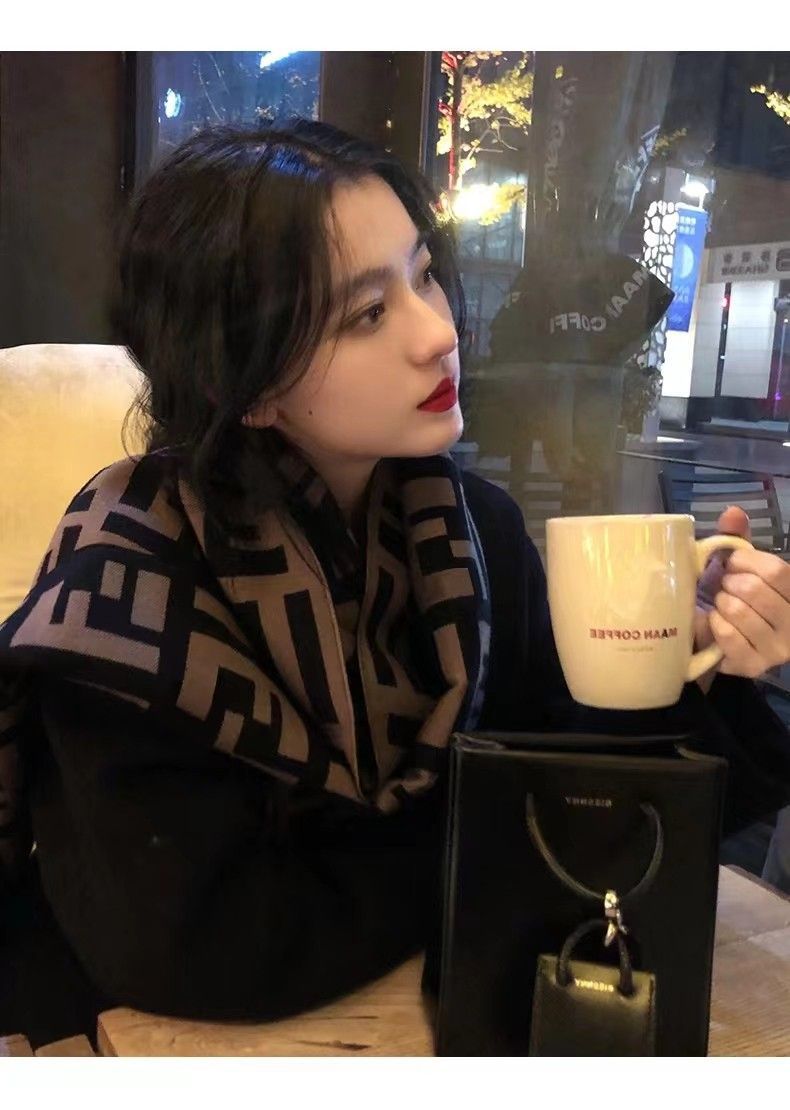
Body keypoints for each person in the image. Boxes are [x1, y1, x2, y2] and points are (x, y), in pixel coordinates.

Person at [1, 119, 789, 1048]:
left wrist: (697, 658)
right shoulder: (129, 579)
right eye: (366, 314)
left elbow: (594, 815)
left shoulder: (472, 532)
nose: (439, 332)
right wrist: (491, 838)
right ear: (241, 384)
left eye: (423, 276)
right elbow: (200, 942)